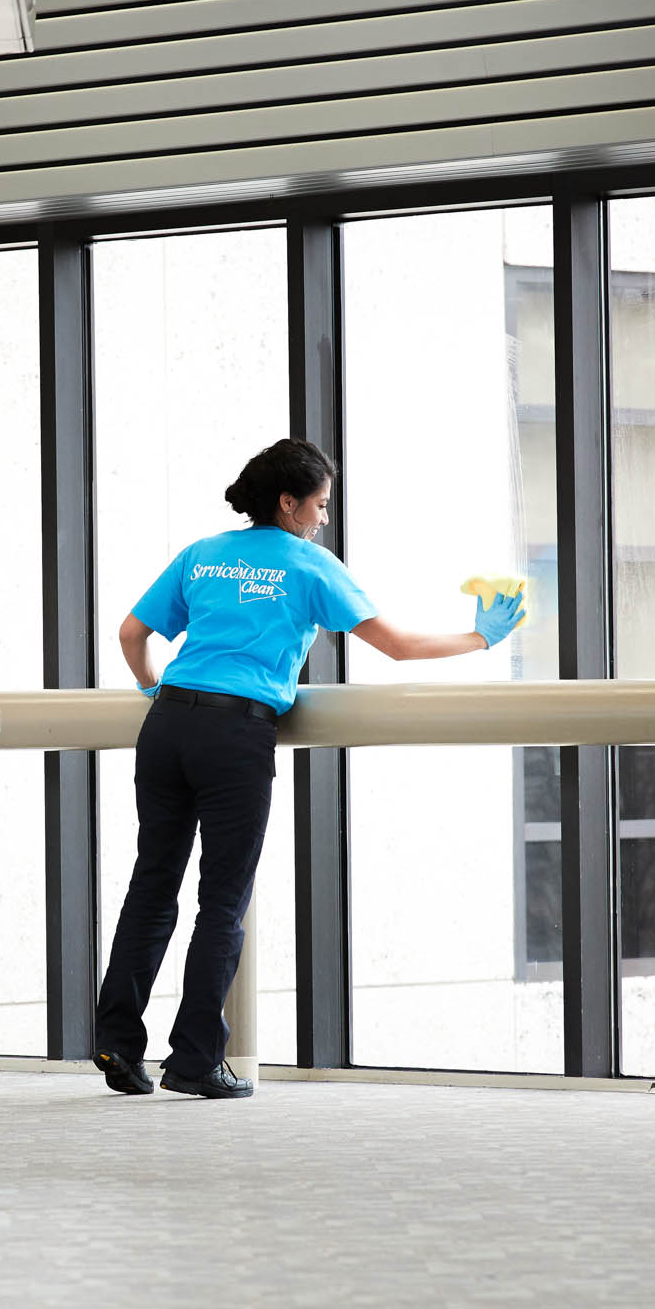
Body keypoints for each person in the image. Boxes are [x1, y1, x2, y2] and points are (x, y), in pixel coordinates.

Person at [92, 437, 525, 1100]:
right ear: (288, 502)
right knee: (222, 900)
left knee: (152, 887)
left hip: (169, 725)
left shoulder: (202, 555)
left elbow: (130, 633)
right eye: (319, 504)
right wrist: (482, 637)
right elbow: (399, 648)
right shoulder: (309, 565)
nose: (324, 517)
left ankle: (117, 1045)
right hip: (236, 734)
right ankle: (194, 1059)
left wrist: (154, 689)